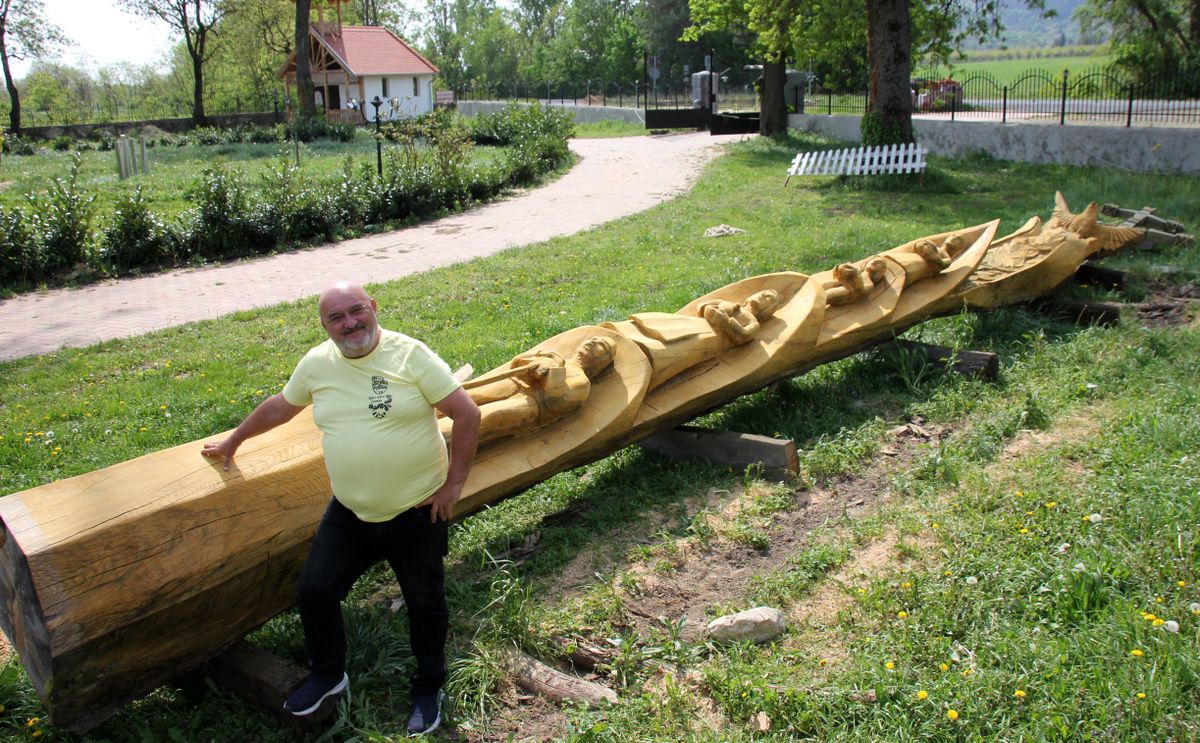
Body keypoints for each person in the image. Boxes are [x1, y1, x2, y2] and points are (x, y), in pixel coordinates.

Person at [201, 281, 480, 735]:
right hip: (349, 512)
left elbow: (467, 413)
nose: (350, 323)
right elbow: (280, 406)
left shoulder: (411, 355)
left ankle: (429, 687)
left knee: (424, 603)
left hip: (417, 511)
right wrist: (234, 440)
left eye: (356, 311)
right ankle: (329, 674)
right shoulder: (317, 364)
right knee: (314, 592)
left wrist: (454, 486)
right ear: (325, 325)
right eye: (337, 317)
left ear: (373, 307)